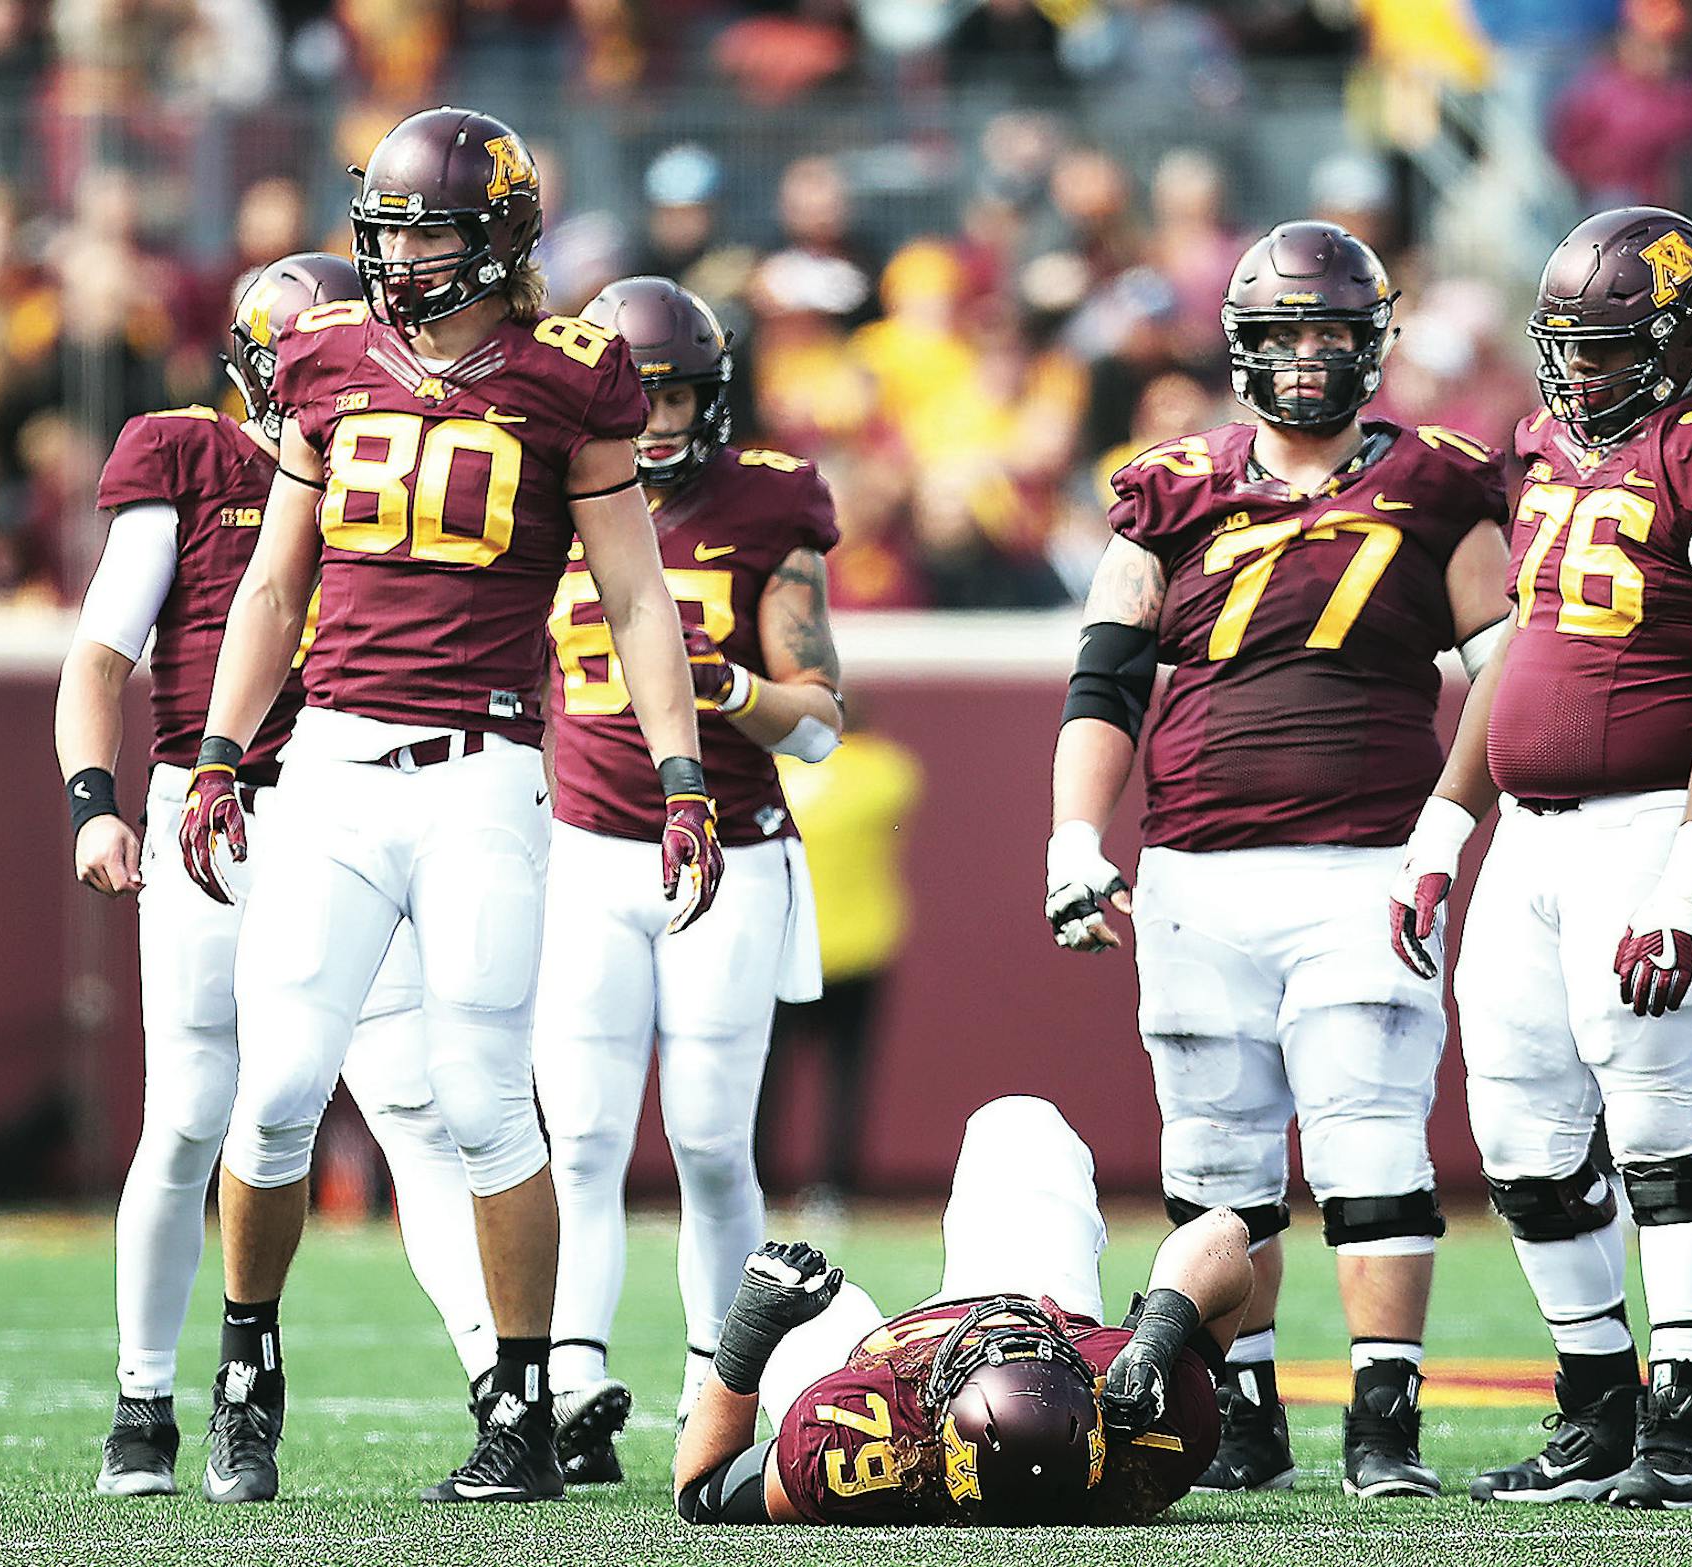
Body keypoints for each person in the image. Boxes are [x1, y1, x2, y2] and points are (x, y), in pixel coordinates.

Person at [176, 107, 719, 1506]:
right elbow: (276, 584)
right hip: (337, 769)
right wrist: (226, 748)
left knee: (487, 1098)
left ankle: (522, 1408)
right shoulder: (326, 355)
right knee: (282, 1085)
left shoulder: (571, 376)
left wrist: (680, 772)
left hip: (484, 768)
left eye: (429, 233)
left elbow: (635, 593)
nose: (398, 255)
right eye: (391, 228)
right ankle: (246, 1369)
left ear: (502, 242)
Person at [1044, 220, 1512, 1499]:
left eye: (1331, 336)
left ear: (1373, 345)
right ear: (1242, 347)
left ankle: (1384, 1421)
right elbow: (1106, 683)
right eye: (1285, 336)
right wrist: (1071, 837)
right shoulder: (1167, 486)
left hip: (1369, 860)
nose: (1308, 360)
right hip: (1197, 867)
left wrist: (1444, 834)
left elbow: (1502, 686)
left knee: (1371, 1143)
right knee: (1215, 1157)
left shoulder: (1443, 482)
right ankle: (1244, 1411)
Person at [1392, 206, 1692, 1508]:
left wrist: (1690, 881)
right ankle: (1594, 1402)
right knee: (1516, 1116)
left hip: (1657, 815)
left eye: (1611, 342)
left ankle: (1683, 1422)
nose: (1579, 368)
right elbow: (1521, 653)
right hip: (1529, 832)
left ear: (1683, 338)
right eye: (1566, 342)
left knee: (1660, 1103)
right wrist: (1441, 826)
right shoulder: (1542, 446)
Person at [53, 252, 494, 1498]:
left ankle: (502, 1389)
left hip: (357, 805)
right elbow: (101, 655)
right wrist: (94, 803)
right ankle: (144, 1400)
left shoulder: (409, 441)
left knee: (413, 1101)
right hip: (221, 806)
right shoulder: (190, 455)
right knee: (194, 1109)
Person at [535, 275, 844, 1484]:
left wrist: (724, 690)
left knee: (712, 1140)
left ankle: (717, 1384)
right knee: (584, 1137)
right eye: (638, 391)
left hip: (730, 848)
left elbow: (819, 723)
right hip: (580, 847)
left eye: (677, 394)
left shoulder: (770, 500)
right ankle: (569, 1381)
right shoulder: (543, 485)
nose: (657, 419)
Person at [668, 1096, 1252, 1526]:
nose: (1000, 1328)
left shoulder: (859, 1440)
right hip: (1049, 1311)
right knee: (1021, 1124)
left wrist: (747, 1335)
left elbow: (701, 1490)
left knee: (801, 1311)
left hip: (886, 1365)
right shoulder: (1153, 1437)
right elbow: (1223, 1236)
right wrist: (1155, 1340)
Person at [760, 711, 923, 1210]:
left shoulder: (779, 772)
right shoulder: (883, 771)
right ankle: (833, 1187)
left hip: (787, 949)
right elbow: (900, 784)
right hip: (859, 946)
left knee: (765, 1077)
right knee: (846, 1077)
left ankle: (758, 1182)